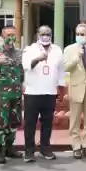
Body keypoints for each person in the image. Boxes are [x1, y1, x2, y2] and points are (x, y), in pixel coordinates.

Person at [22, 25, 65, 162]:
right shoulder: (30, 49)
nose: (45, 36)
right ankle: (29, 151)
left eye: (48, 34)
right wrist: (37, 59)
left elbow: (61, 71)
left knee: (47, 123)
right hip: (32, 92)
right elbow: (26, 66)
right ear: (37, 35)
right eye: (43, 34)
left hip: (50, 92)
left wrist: (61, 88)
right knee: (30, 123)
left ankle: (45, 148)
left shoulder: (57, 50)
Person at [0, 25, 23, 164]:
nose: (11, 37)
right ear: (2, 36)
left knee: (13, 123)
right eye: (8, 35)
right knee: (0, 123)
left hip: (16, 94)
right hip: (1, 95)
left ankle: (9, 148)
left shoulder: (19, 53)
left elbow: (22, 72)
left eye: (13, 35)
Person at [64, 23, 86, 159]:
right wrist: (77, 57)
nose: (79, 36)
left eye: (82, 34)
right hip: (76, 87)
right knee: (75, 120)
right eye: (77, 34)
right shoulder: (69, 49)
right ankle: (76, 146)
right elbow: (66, 67)